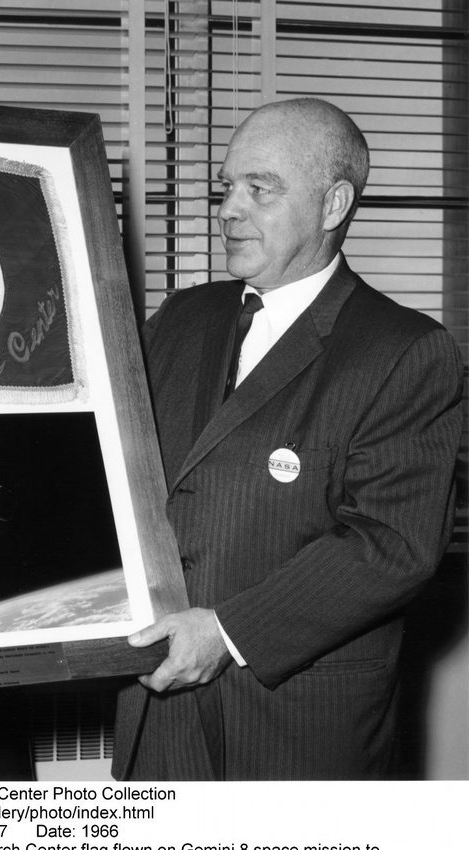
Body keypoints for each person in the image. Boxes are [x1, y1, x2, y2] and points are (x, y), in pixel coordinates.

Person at [112, 97, 463, 780]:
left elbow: (391, 544)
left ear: (334, 205)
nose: (229, 209)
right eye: (226, 187)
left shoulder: (405, 349)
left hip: (292, 726)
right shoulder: (183, 316)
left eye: (259, 189)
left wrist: (226, 633)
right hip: (159, 709)